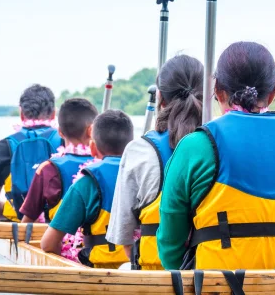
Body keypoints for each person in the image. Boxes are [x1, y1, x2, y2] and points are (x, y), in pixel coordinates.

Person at [157, 42, 275, 270]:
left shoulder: (195, 147)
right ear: (273, 92)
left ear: (217, 90)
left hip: (220, 285)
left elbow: (171, 243)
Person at [106, 55, 204, 270]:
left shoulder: (139, 150)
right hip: (211, 273)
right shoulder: (219, 145)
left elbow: (123, 236)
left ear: (160, 97)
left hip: (157, 276)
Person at [41, 110, 133, 268]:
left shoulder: (86, 182)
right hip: (140, 265)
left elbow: (48, 244)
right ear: (132, 146)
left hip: (98, 271)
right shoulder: (148, 174)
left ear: (92, 148)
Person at [0, 84, 62, 222]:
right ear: (54, 114)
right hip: (60, 229)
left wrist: (14, 211)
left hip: (20, 228)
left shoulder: (3, 147)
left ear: (21, 114)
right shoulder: (67, 142)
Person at [20, 98, 98, 223]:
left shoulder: (47, 169)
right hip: (99, 240)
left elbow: (27, 221)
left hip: (59, 241)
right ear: (92, 130)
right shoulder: (103, 164)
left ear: (60, 132)